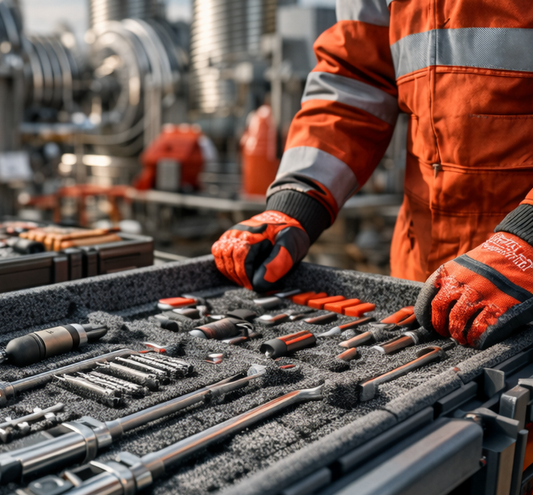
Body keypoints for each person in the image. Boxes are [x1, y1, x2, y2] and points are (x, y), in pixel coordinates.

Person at [212, 0, 533, 349]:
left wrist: (525, 241)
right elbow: (354, 84)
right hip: (423, 279)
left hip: (522, 283)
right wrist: (298, 198)